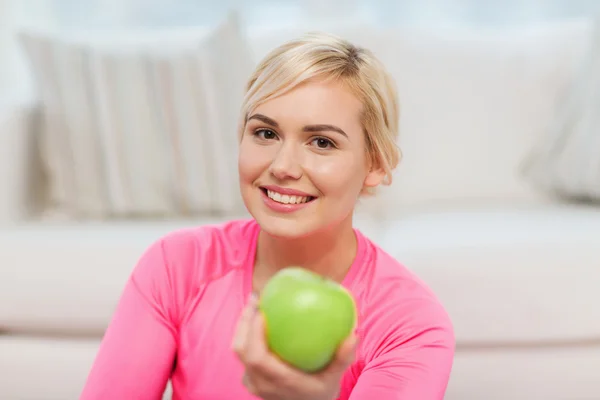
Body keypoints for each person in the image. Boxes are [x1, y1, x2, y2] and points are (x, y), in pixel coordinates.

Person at [80, 31, 455, 400]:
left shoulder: (411, 325)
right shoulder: (178, 265)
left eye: (321, 142)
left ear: (376, 164)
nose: (283, 166)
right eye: (265, 133)